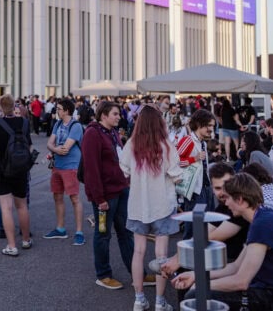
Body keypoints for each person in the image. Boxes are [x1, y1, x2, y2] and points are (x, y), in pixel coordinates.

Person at [172, 173, 273, 310]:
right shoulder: (262, 218)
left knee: (195, 295)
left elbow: (241, 281)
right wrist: (196, 276)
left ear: (240, 199)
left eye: (228, 198)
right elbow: (235, 267)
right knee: (195, 291)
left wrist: (201, 285)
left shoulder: (263, 224)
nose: (226, 203)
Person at [120, 105, 181, 311]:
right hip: (163, 205)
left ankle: (139, 299)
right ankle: (160, 302)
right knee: (161, 254)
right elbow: (176, 175)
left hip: (138, 205)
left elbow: (124, 170)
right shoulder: (166, 146)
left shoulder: (131, 144)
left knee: (138, 252)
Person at [81, 100, 134, 290]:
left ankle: (136, 272)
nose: (119, 117)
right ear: (104, 115)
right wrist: (99, 199)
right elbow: (91, 170)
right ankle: (103, 274)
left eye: (119, 114)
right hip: (105, 195)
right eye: (115, 114)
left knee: (126, 233)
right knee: (103, 234)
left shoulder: (111, 132)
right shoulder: (92, 134)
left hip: (120, 189)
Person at [0, 93, 33, 257]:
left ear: (0, 108)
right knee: (22, 206)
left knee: (6, 207)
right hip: (20, 170)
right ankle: (26, 239)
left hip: (2, 171)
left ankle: (12, 245)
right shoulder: (24, 123)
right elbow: (30, 148)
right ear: (14, 106)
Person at [43, 98, 85, 246]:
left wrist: (54, 148)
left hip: (71, 166)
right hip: (58, 166)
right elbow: (50, 143)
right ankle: (60, 229)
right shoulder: (58, 124)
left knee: (74, 198)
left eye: (59, 108)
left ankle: (79, 232)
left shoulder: (76, 126)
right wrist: (54, 149)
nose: (57, 111)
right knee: (57, 196)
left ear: (67, 110)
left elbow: (65, 148)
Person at [176, 109, 215, 239]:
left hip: (205, 187)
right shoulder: (188, 140)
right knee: (193, 225)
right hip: (193, 190)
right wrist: (194, 158)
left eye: (212, 126)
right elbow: (173, 163)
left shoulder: (202, 142)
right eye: (209, 125)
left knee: (203, 223)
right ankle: (186, 254)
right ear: (199, 124)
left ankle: (198, 253)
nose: (211, 129)